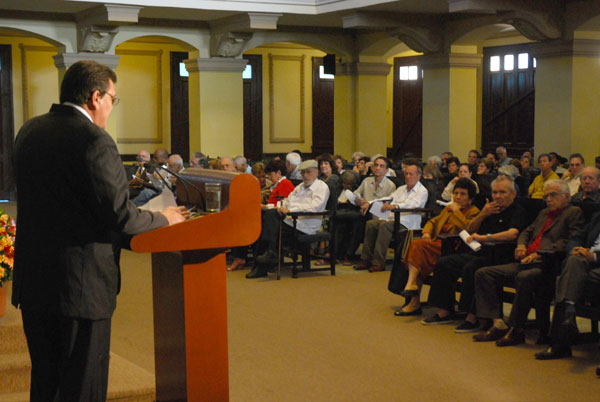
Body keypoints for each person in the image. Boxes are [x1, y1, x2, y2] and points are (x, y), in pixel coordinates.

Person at [11, 60, 187, 401]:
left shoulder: (29, 132)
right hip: (80, 289)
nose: (111, 106)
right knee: (82, 389)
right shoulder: (94, 139)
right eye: (112, 99)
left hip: (35, 284)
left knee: (46, 384)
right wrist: (165, 218)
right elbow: (121, 215)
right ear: (95, 97)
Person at [473, 180, 583, 346]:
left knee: (524, 277)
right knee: (484, 273)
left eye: (553, 195)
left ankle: (517, 329)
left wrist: (539, 254)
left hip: (547, 264)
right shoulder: (544, 213)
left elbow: (570, 241)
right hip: (525, 260)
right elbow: (527, 231)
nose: (548, 199)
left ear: (567, 196)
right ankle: (498, 323)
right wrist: (521, 245)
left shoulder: (573, 212)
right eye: (546, 196)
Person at [422, 176, 527, 332]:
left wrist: (485, 238)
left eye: (502, 192)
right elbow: (469, 230)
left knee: (472, 268)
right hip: (480, 251)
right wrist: (483, 214)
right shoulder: (489, 209)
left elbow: (512, 234)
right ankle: (445, 310)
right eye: (495, 192)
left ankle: (472, 317)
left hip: (502, 255)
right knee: (445, 262)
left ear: (512, 194)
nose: (498, 196)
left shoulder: (518, 210)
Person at [395, 179, 480, 316]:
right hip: (437, 245)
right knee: (418, 252)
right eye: (456, 193)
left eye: (462, 194)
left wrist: (457, 212)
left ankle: (413, 297)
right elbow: (432, 221)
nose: (457, 197)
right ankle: (412, 291)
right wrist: (427, 232)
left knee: (417, 248)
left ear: (470, 199)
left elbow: (467, 229)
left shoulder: (474, 212)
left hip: (453, 248)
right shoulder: (448, 209)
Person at [246, 160, 329, 279]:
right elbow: (286, 201)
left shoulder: (321, 187)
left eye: (308, 172)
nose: (305, 175)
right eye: (302, 173)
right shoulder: (299, 187)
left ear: (316, 172)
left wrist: (291, 210)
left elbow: (315, 207)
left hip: (305, 225)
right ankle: (268, 257)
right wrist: (278, 207)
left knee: (270, 223)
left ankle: (265, 262)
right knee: (267, 217)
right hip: (290, 222)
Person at [535, 212, 600, 360]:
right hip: (585, 260)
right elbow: (577, 237)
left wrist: (595, 256)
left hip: (595, 261)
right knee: (573, 263)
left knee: (568, 277)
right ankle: (568, 316)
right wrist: (574, 249)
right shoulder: (597, 216)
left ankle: (560, 342)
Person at [354, 160, 428, 273]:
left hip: (408, 222)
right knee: (371, 224)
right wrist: (370, 203)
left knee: (385, 226)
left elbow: (414, 204)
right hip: (393, 219)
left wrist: (394, 206)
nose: (407, 177)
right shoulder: (401, 189)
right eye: (406, 174)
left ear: (418, 176)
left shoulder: (422, 191)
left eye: (411, 174)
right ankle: (366, 259)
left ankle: (378, 262)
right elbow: (387, 198)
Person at [338, 156, 396, 265]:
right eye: (376, 165)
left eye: (381, 166)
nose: (378, 168)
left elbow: (386, 208)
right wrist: (358, 199)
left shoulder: (390, 186)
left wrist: (368, 204)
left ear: (386, 170)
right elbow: (356, 194)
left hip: (380, 214)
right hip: (364, 212)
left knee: (358, 221)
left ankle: (349, 255)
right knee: (345, 220)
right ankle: (339, 252)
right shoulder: (366, 181)